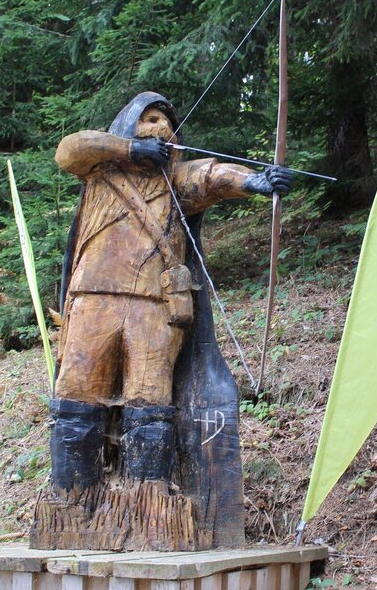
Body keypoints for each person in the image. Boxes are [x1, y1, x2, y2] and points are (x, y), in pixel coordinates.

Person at [48, 91, 291, 498]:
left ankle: (149, 497)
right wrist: (130, 149)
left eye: (165, 122)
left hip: (154, 308)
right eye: (149, 119)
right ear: (128, 125)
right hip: (92, 300)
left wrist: (257, 181)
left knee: (150, 401)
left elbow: (212, 177)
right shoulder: (99, 169)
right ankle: (70, 498)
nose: (161, 128)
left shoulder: (175, 180)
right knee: (77, 394)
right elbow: (69, 149)